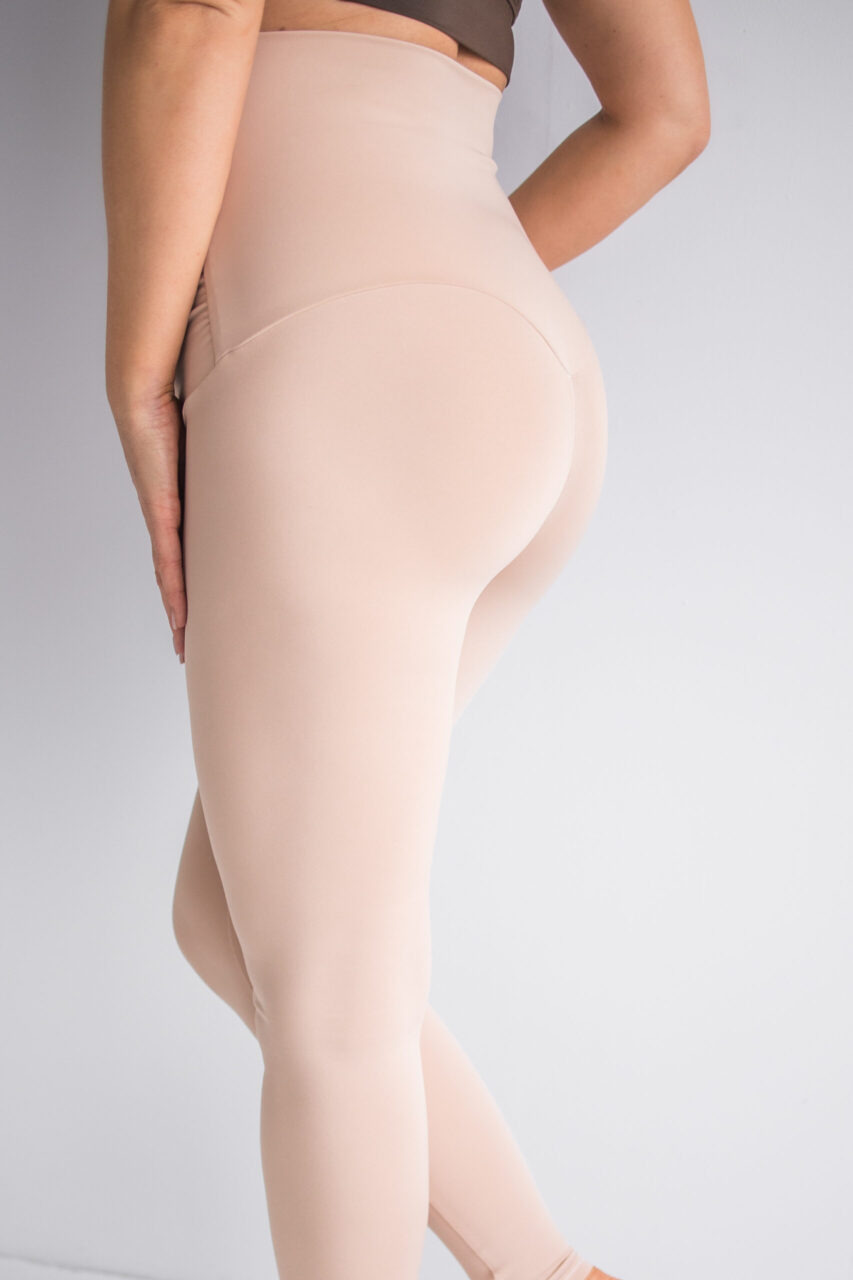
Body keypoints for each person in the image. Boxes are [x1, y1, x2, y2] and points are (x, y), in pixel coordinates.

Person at [101, 0, 709, 1276]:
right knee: (230, 917)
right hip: (512, 348)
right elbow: (666, 113)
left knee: (329, 1000)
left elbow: (191, 12)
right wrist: (439, 290)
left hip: (333, 354)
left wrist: (140, 374)